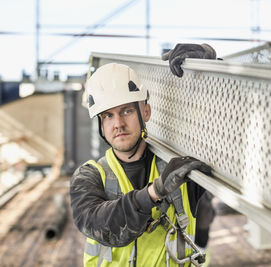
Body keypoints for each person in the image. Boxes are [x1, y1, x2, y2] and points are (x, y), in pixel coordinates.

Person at [70, 62, 215, 267]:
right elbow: (99, 225)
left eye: (127, 111)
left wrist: (205, 71)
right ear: (101, 124)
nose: (118, 123)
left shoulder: (180, 172)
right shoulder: (89, 176)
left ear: (145, 112)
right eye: (108, 115)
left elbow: (223, 133)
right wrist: (154, 192)